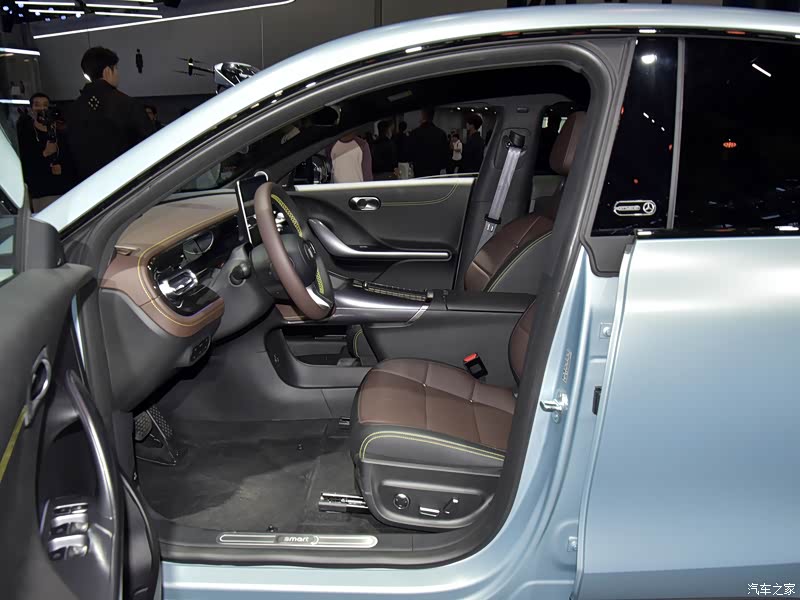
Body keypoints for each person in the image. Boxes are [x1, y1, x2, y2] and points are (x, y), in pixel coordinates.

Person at [67, 46, 154, 182]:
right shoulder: (127, 104)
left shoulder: (73, 108)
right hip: (124, 182)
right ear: (108, 71)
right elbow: (149, 144)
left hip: (86, 185)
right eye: (116, 69)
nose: (118, 74)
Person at [16, 92, 71, 209]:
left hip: (64, 190)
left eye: (45, 105)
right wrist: (45, 154)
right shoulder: (25, 134)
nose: (41, 109)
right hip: (41, 192)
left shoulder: (60, 132)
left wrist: (62, 167)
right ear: (31, 109)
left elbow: (70, 158)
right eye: (37, 105)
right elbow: (26, 164)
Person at [408, 107, 448, 178]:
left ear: (423, 115)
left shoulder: (414, 133)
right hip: (435, 170)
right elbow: (444, 154)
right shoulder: (441, 133)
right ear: (433, 116)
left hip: (419, 169)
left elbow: (410, 152)